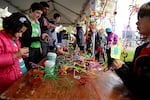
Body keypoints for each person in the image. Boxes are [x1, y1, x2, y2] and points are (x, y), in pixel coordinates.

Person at [112, 2, 150, 99]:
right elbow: (135, 67)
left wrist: (122, 69)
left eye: (140, 18)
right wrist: (123, 64)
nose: (137, 23)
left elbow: (142, 88)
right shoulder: (140, 48)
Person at [0, 12, 29, 94]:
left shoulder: (15, 40)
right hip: (6, 84)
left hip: (18, 78)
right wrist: (16, 55)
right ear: (12, 27)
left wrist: (21, 55)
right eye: (20, 31)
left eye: (22, 32)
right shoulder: (1, 38)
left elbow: (14, 56)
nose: (21, 35)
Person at [19, 2, 49, 69]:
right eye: (37, 13)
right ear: (31, 10)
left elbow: (39, 34)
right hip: (28, 49)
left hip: (38, 49)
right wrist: (39, 38)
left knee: (37, 67)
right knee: (29, 69)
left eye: (40, 14)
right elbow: (23, 37)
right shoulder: (25, 21)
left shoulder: (38, 22)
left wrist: (44, 35)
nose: (39, 16)